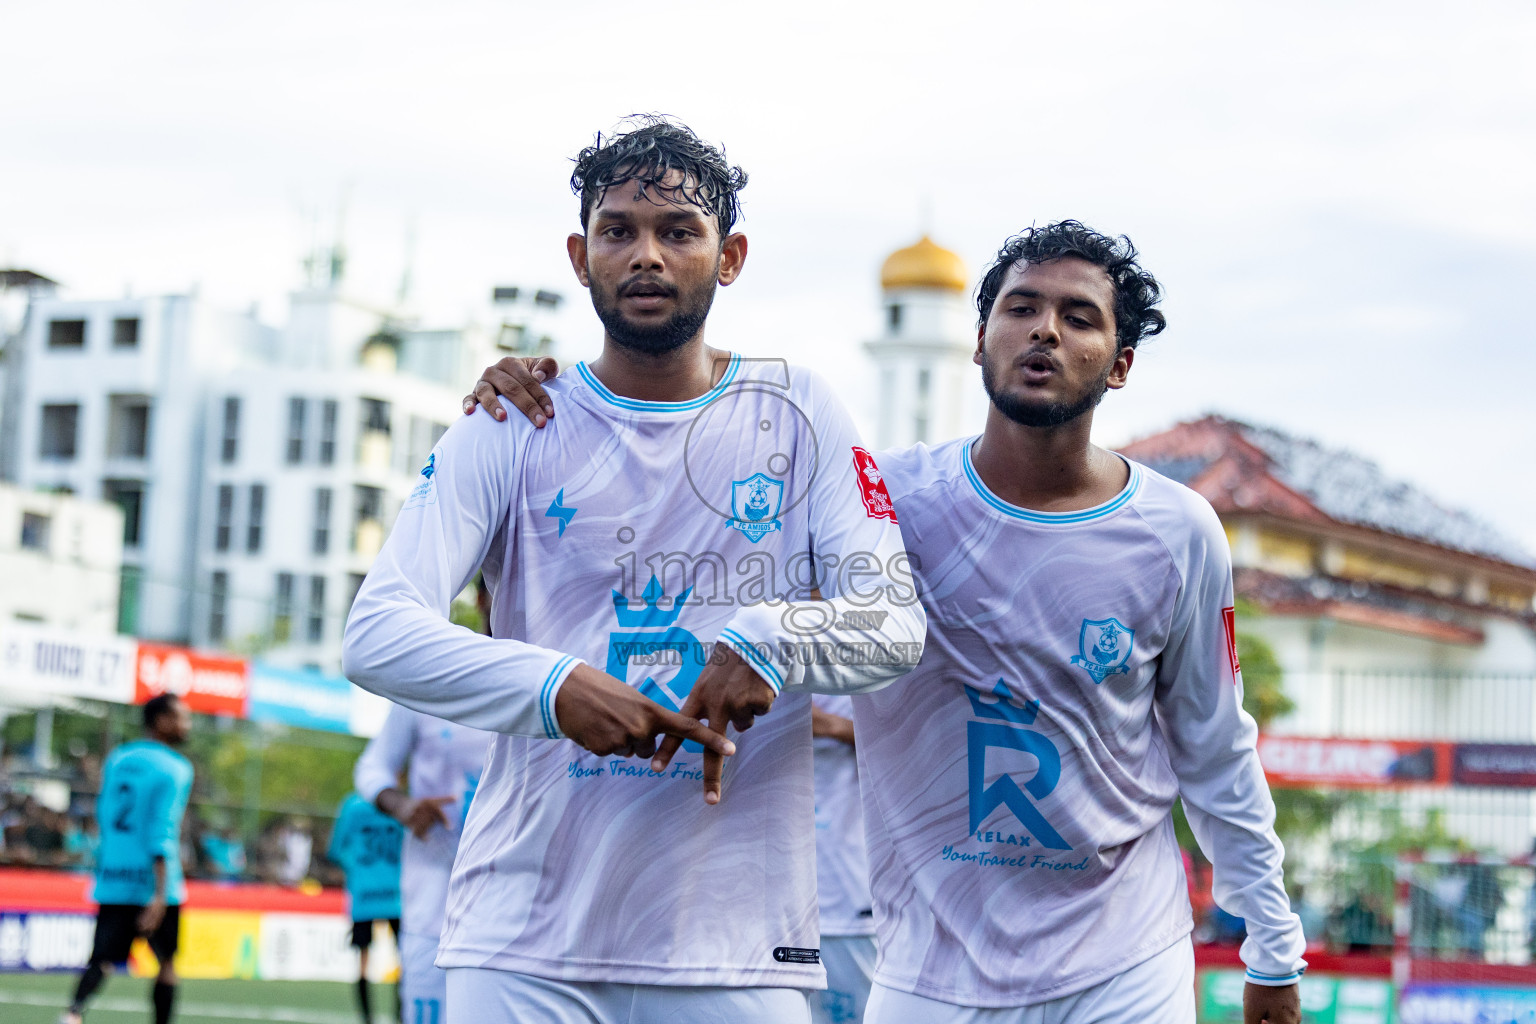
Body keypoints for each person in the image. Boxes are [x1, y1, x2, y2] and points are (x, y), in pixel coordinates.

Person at [476, 220, 1306, 1023]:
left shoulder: (1178, 531)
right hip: (926, 968)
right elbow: (698, 502)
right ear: (978, 342)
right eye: (1020, 309)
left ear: (1119, 363)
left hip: (1123, 964)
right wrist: (555, 397)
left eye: (1077, 317)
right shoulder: (886, 502)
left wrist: (1271, 946)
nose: (1043, 331)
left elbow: (1214, 745)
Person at [342, 116, 924, 1023]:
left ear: (728, 257)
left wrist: (768, 640)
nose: (645, 255)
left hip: (739, 951)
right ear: (581, 256)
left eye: (677, 232)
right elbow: (377, 634)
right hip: (523, 941)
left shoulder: (801, 413)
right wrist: (555, 686)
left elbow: (893, 626)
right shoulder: (508, 421)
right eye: (619, 231)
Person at [354, 705, 492, 1024]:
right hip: (431, 901)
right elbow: (371, 766)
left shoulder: (533, 664)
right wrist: (401, 805)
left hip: (512, 898)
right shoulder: (423, 678)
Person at [61, 693, 193, 1024]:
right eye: (182, 717)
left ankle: (72, 1015)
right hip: (155, 883)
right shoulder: (175, 768)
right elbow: (161, 831)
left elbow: (105, 814)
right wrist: (159, 896)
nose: (186, 725)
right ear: (161, 720)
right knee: (166, 964)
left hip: (114, 878)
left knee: (102, 959)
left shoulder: (118, 758)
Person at [810, 696, 877, 1024]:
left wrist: (829, 725)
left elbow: (923, 748)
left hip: (850, 900)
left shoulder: (872, 661)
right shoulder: (744, 665)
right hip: (774, 908)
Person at [328, 790, 405, 1024]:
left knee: (363, 960)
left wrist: (357, 869)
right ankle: (401, 1015)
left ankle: (367, 1018)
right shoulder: (400, 802)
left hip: (364, 894)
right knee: (406, 959)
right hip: (397, 895)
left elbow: (335, 849)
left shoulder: (352, 805)